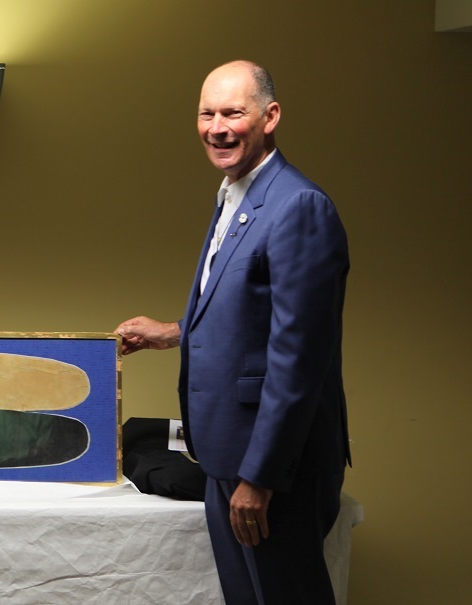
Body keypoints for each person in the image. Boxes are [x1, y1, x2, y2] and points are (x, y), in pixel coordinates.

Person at [115, 60, 350, 604]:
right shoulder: (236, 196)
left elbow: (299, 360)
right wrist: (175, 332)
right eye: (207, 113)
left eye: (233, 113)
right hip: (225, 455)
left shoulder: (298, 207)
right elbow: (253, 317)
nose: (217, 127)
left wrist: (260, 478)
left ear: (270, 117)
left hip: (270, 470)